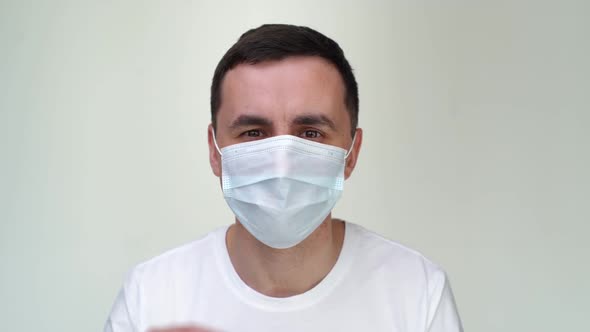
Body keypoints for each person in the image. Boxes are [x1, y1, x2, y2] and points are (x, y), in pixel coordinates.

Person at [104, 24, 463, 332]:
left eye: (310, 133)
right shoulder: (151, 297)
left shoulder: (416, 293)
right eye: (254, 133)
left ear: (351, 153)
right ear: (215, 152)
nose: (282, 163)